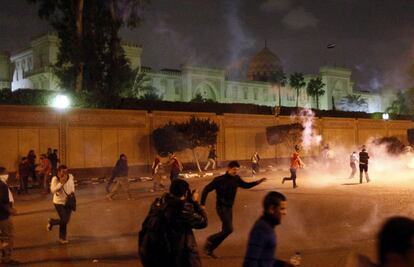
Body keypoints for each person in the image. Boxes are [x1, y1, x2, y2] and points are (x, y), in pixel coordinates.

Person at [201, 161, 266, 258]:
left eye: (237, 170)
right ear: (228, 168)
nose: (236, 171)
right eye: (234, 169)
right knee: (229, 229)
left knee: (226, 231)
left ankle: (209, 249)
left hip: (229, 208)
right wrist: (202, 204)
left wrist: (258, 182)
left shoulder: (236, 179)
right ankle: (210, 239)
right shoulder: (219, 180)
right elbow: (206, 189)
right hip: (221, 207)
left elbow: (246, 185)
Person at [139, 179, 208, 267]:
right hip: (179, 255)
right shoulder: (182, 207)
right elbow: (203, 222)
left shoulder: (158, 204)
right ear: (186, 193)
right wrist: (195, 202)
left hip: (159, 254)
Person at [243, 191, 293, 267]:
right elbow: (250, 263)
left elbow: (265, 260)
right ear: (271, 209)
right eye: (282, 209)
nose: (285, 212)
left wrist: (283, 265)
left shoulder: (267, 227)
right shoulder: (261, 230)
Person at [47, 165, 75, 244]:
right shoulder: (55, 179)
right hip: (58, 202)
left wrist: (72, 192)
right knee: (64, 219)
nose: (65, 173)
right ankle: (62, 238)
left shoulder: (70, 176)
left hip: (68, 201)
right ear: (58, 172)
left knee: (65, 220)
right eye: (63, 171)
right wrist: (61, 183)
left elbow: (72, 185)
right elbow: (52, 190)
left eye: (66, 171)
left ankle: (52, 221)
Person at [0, 167, 18, 264]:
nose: (7, 174)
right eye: (6, 172)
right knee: (8, 237)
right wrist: (10, 210)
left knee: (3, 237)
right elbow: (2, 200)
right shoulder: (2, 185)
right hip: (3, 216)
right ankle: (6, 259)